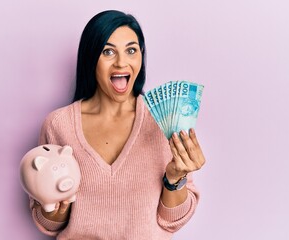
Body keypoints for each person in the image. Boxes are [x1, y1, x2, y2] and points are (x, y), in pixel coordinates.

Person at [29, 10, 205, 240]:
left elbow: (171, 220)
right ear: (91, 58)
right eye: (108, 51)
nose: (122, 62)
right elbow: (49, 224)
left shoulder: (163, 121)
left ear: (141, 57)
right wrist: (55, 208)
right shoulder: (58, 125)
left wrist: (175, 178)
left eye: (131, 50)